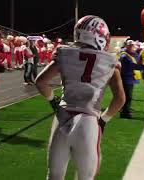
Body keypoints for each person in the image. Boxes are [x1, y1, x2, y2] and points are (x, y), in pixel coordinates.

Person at [35, 15, 125, 180]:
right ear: (99, 36)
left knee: (54, 176)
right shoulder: (110, 62)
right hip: (88, 122)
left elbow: (40, 82)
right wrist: (103, 120)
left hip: (62, 118)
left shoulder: (65, 53)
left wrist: (53, 102)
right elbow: (120, 98)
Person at [119, 40, 143, 119]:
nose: (132, 47)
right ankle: (125, 112)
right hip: (126, 78)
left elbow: (137, 60)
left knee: (127, 96)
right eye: (130, 45)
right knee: (127, 96)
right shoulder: (124, 56)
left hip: (129, 77)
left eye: (132, 45)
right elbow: (132, 65)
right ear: (126, 46)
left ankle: (125, 109)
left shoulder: (131, 54)